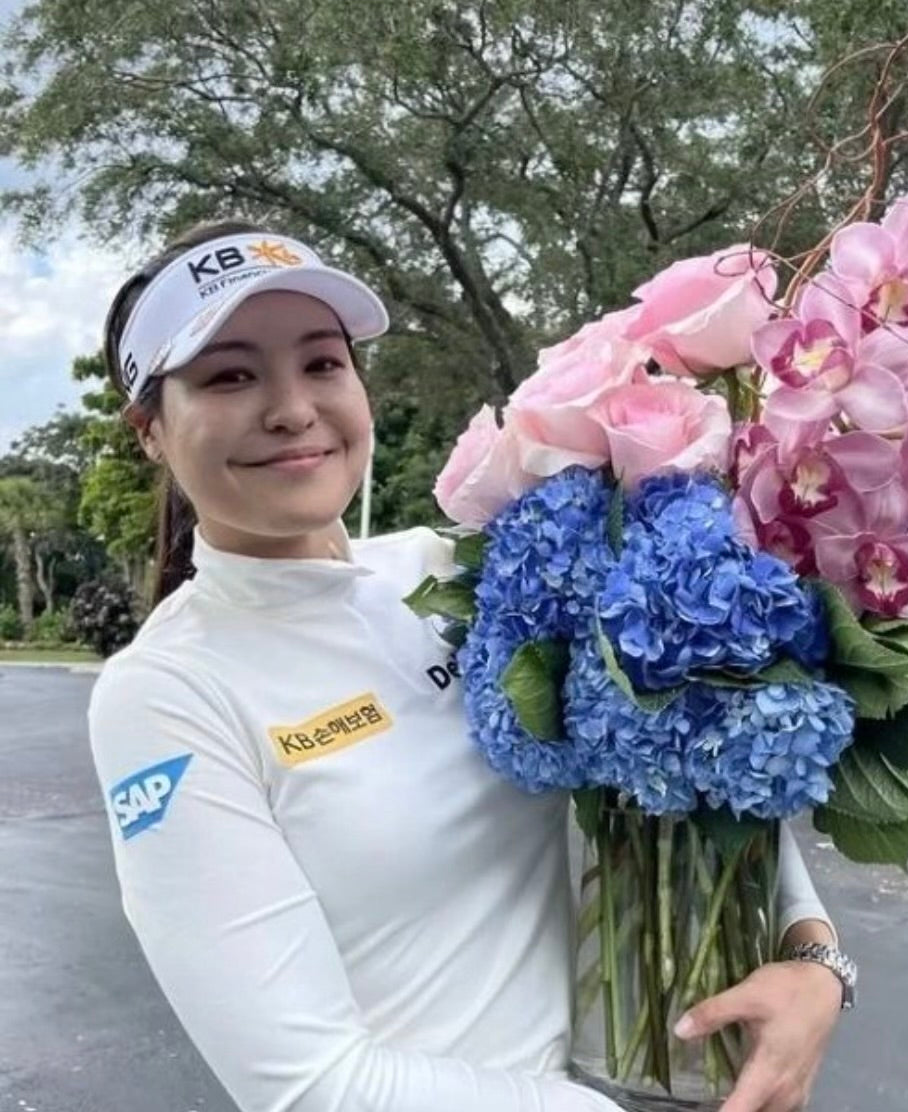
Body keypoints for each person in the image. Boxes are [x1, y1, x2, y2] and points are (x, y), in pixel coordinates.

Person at [88, 221, 852, 1112]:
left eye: (322, 363)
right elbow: (308, 1085)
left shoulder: (453, 571)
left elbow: (690, 748)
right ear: (150, 430)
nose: (291, 407)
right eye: (229, 374)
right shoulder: (168, 693)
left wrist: (813, 959)